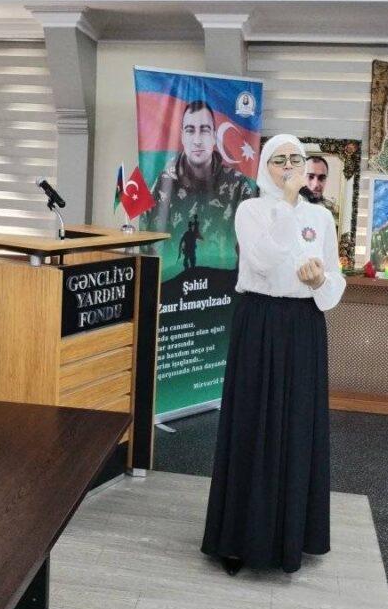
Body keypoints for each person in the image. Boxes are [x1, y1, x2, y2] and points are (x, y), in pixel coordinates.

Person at [201, 134, 346, 575]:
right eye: (279, 160)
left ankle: (293, 535)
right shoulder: (251, 210)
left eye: (295, 159)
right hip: (259, 322)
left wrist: (320, 281)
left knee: (297, 424)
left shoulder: (321, 217)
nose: (288, 167)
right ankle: (237, 540)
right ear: (264, 166)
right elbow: (263, 260)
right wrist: (286, 203)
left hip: (304, 326)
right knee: (251, 421)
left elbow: (334, 283)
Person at [144, 99, 254, 268]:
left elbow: (253, 245)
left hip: (224, 281)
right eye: (190, 130)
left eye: (204, 130)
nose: (197, 140)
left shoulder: (238, 185)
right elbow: (149, 241)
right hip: (174, 279)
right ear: (182, 136)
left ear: (214, 136)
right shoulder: (164, 183)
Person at [304, 155, 339, 222]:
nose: (316, 184)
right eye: (310, 177)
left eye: (321, 178)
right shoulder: (289, 208)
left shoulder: (333, 213)